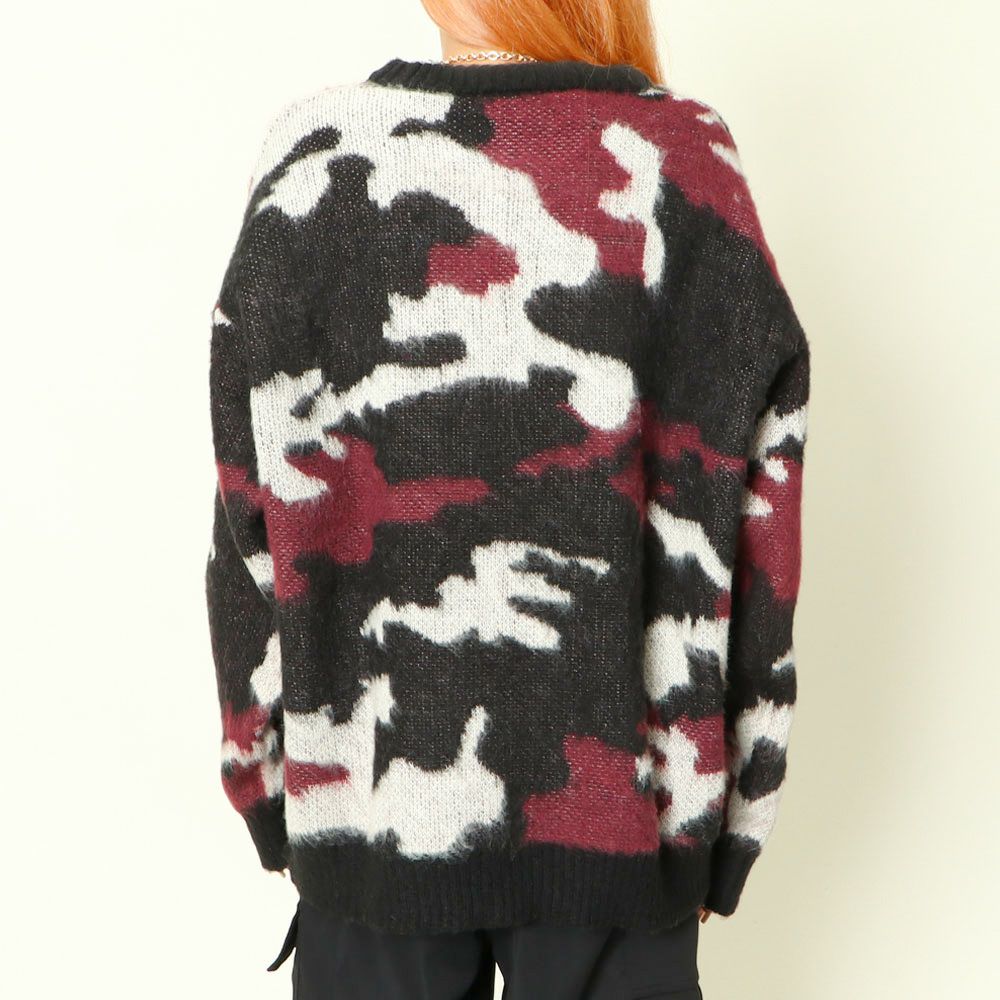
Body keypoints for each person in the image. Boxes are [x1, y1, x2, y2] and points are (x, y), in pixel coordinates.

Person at [203, 1, 811, 996]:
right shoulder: (686, 161)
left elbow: (248, 515)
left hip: (369, 810)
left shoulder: (312, 156)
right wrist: (729, 819)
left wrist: (267, 779)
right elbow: (760, 526)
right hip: (624, 826)